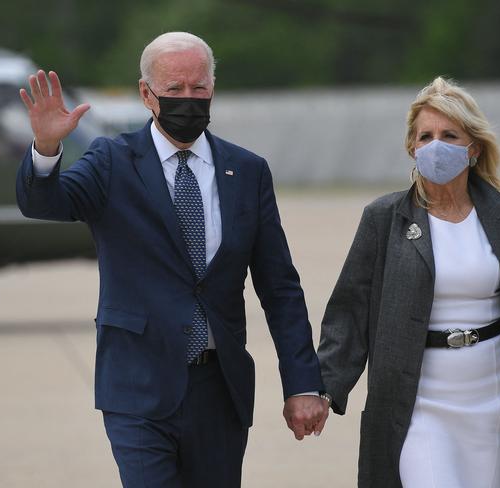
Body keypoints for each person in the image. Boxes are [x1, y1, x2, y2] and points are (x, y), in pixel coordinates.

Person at [16, 31, 328, 488]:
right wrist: (46, 150)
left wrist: (302, 383)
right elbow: (45, 204)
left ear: (212, 88)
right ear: (147, 94)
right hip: (138, 386)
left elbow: (279, 286)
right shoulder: (110, 161)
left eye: (198, 88)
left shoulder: (247, 171)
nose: (188, 98)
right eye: (174, 89)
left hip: (218, 389)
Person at [317, 76, 500, 487]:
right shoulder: (384, 219)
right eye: (426, 135)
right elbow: (349, 312)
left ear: (472, 148)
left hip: (497, 402)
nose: (436, 144)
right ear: (412, 148)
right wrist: (323, 389)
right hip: (420, 403)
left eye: (449, 135)